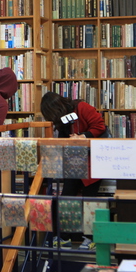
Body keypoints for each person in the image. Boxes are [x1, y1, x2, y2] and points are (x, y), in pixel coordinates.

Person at [40, 92, 107, 250]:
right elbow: (63, 138)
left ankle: (93, 238)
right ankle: (63, 237)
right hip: (74, 161)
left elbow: (99, 126)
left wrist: (84, 136)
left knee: (90, 201)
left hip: (93, 161)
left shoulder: (81, 107)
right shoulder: (64, 118)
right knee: (66, 199)